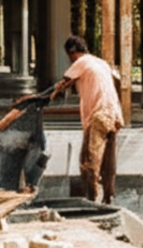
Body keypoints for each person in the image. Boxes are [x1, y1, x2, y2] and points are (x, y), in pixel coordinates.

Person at [51, 36, 125, 204]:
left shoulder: (81, 62)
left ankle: (91, 200)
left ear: (73, 53)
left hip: (98, 115)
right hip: (114, 112)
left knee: (89, 160)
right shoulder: (101, 63)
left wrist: (48, 96)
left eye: (70, 57)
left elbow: (64, 83)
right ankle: (109, 196)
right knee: (108, 158)